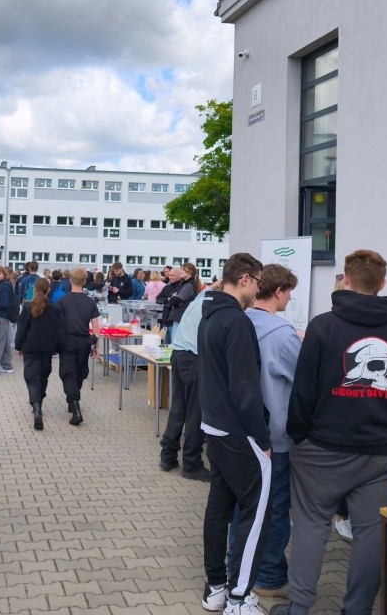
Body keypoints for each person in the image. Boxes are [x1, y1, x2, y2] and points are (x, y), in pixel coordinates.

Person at [270, 250, 387, 615]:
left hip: (321, 450)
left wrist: (299, 436)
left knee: (311, 525)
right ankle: (357, 609)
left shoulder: (322, 327)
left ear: (347, 280)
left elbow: (303, 391)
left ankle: (299, 607)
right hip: (382, 454)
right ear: (383, 283)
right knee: (372, 534)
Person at [197, 252, 268, 615]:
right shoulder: (237, 322)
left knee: (220, 507)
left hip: (215, 424)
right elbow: (245, 388)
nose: (259, 290)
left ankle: (216, 588)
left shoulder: (208, 314)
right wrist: (264, 439)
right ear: (244, 279)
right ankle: (239, 598)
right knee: (256, 513)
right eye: (258, 282)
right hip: (238, 432)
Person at [227, 264, 302, 599]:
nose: (291, 299)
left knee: (242, 506)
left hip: (238, 432)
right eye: (290, 292)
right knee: (274, 508)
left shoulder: (238, 322)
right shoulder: (283, 334)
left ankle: (236, 566)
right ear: (279, 291)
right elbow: (304, 381)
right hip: (273, 436)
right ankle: (269, 576)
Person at [158, 289, 211, 480]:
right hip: (193, 358)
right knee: (195, 414)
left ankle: (168, 456)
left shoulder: (198, 301)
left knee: (178, 409)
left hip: (179, 355)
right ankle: (191, 463)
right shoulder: (211, 306)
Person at [15, 278, 63, 431]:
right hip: (47, 349)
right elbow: (58, 330)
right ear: (49, 290)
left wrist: (18, 346)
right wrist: (57, 347)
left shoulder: (28, 307)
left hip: (30, 348)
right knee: (43, 375)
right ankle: (39, 401)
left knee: (32, 378)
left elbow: (21, 328)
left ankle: (36, 406)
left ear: (35, 289)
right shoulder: (55, 308)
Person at [58, 268, 101, 426]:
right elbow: (95, 325)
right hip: (84, 341)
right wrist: (97, 345)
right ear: (84, 282)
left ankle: (74, 405)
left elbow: (57, 323)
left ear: (70, 280)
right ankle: (74, 400)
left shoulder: (63, 300)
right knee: (80, 371)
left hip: (67, 340)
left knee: (68, 373)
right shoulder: (90, 302)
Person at [166, 262, 201, 342]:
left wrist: (173, 297)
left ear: (190, 272)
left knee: (176, 342)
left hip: (181, 318)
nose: (180, 271)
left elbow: (174, 302)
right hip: (181, 317)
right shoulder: (185, 284)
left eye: (183, 270)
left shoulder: (188, 286)